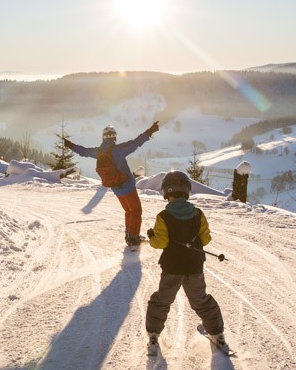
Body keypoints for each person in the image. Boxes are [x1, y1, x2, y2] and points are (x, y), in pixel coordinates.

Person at [143, 170, 228, 355]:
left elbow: (161, 243)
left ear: (166, 192)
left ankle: (153, 336)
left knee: (163, 300)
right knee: (200, 300)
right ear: (187, 191)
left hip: (172, 267)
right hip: (194, 266)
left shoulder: (163, 217)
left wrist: (152, 237)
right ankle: (218, 334)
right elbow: (205, 240)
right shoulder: (198, 214)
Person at [64, 122, 159, 246]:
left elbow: (84, 151)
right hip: (127, 186)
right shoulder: (119, 149)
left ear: (103, 137)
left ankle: (129, 235)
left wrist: (70, 145)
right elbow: (136, 143)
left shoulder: (98, 152)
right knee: (136, 211)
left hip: (116, 188)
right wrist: (150, 131)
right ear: (114, 137)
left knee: (128, 211)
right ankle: (133, 238)